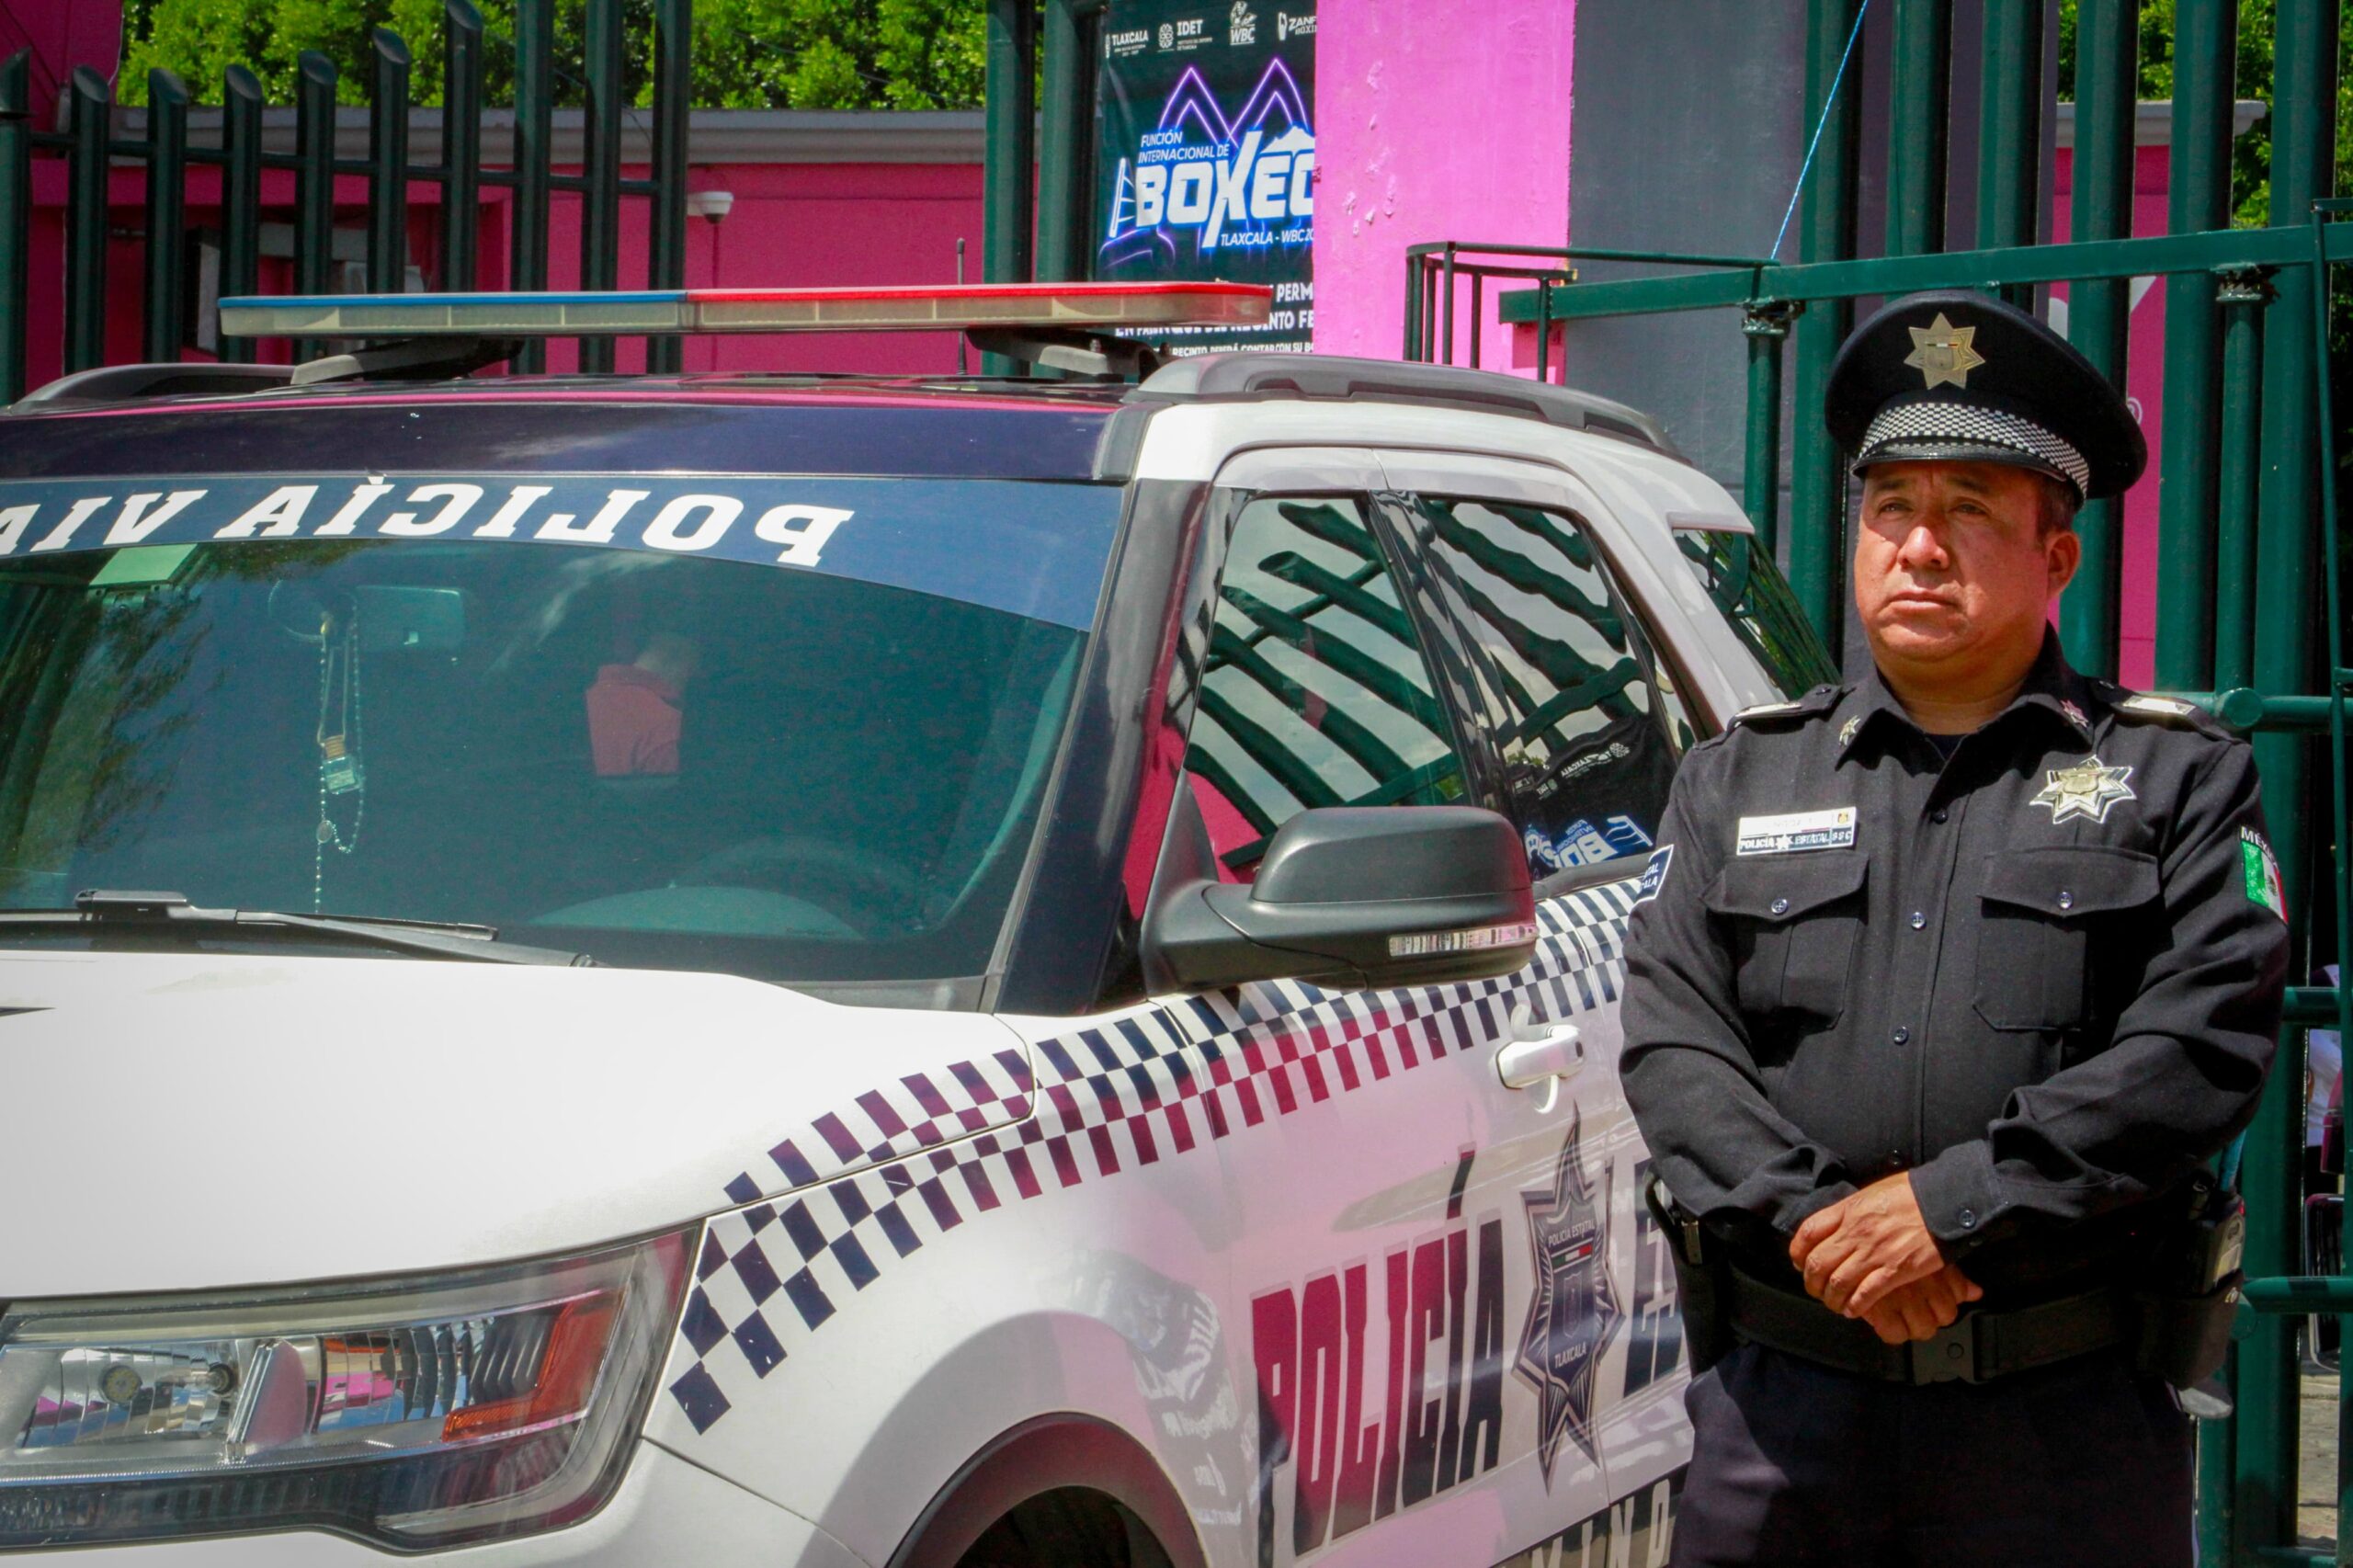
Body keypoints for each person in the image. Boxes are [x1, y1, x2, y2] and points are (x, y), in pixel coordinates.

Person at [1619, 290, 2290, 1566]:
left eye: (1970, 509)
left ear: (2058, 557)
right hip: (1785, 1415)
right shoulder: (1739, 777)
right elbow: (1672, 1044)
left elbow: (2200, 1045)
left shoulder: (2175, 775)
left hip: (2062, 1429)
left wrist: (1953, 1207)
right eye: (1893, 508)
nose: (1920, 547)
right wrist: (1829, 1226)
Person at [586, 631, 699, 777]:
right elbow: (669, 791)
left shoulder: (582, 702)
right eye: (693, 672)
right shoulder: (666, 725)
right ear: (677, 660)